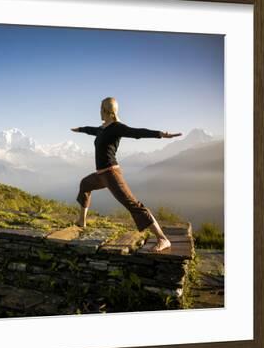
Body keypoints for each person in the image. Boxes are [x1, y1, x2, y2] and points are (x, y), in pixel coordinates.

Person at [71, 97, 182, 252]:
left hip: (111, 174)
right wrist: (80, 129)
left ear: (109, 111)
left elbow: (136, 133)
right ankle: (81, 221)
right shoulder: (103, 128)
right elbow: (92, 130)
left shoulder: (117, 127)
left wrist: (160, 134)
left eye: (102, 110)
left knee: (133, 205)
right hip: (101, 175)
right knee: (85, 184)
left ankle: (163, 239)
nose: (100, 113)